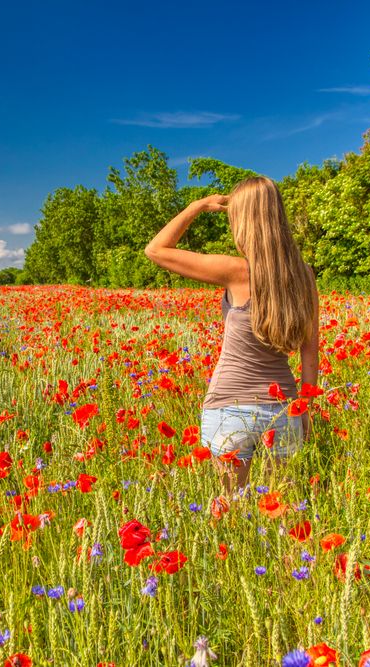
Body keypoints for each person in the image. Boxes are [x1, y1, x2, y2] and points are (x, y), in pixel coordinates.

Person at [144, 176, 319, 494]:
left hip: (228, 409)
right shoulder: (304, 275)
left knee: (229, 515)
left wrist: (197, 206)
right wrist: (304, 407)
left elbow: (156, 249)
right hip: (283, 409)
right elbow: (310, 352)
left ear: (242, 222)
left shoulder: (235, 271)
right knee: (285, 516)